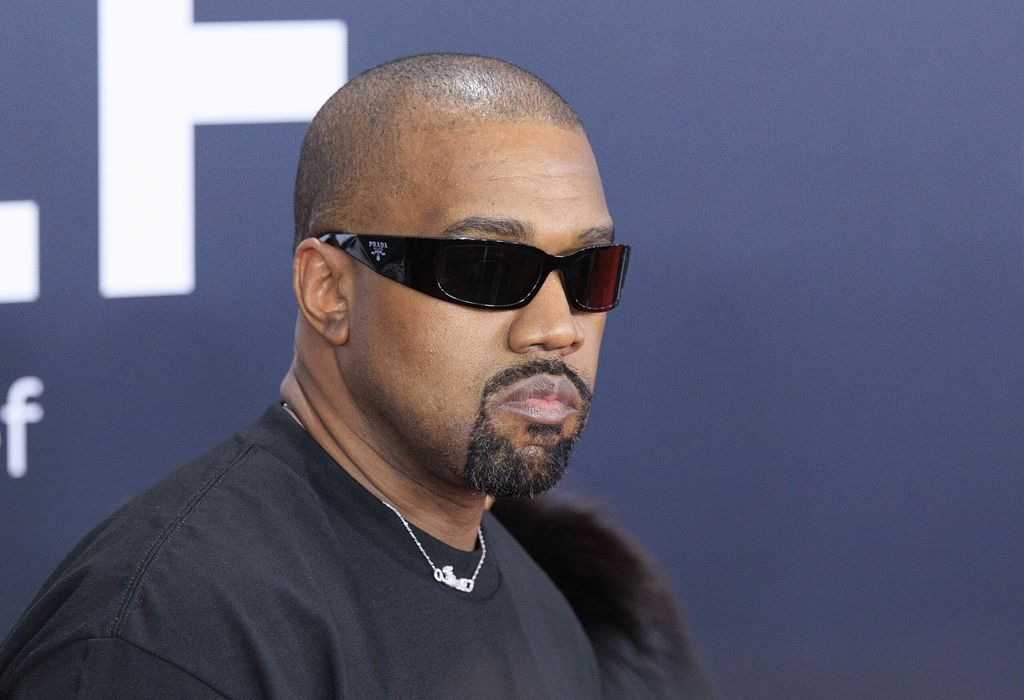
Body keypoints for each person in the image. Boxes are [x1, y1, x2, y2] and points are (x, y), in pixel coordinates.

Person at [0, 53, 710, 698]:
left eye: (589, 271)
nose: (557, 327)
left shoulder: (547, 619)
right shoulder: (166, 636)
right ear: (329, 292)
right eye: (486, 268)